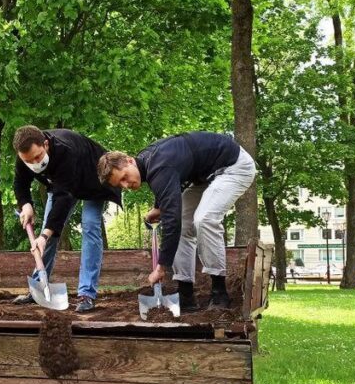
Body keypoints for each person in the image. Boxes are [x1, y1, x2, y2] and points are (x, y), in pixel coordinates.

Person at [97, 132, 255, 311]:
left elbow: (172, 219)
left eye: (124, 177)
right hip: (206, 176)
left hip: (234, 167)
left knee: (204, 219)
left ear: (129, 161)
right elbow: (168, 184)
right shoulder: (147, 161)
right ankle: (186, 295)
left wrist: (162, 266)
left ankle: (219, 293)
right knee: (184, 223)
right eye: (120, 185)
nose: (126, 186)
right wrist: (159, 207)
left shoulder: (159, 166)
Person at [12, 126, 121, 313]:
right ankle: (39, 286)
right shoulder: (25, 155)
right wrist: (26, 205)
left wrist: (45, 235)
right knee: (48, 229)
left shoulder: (65, 150)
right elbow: (20, 183)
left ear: (45, 144)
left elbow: (64, 198)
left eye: (38, 157)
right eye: (29, 161)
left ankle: (87, 293)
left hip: (95, 180)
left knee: (89, 227)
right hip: (64, 186)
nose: (34, 164)